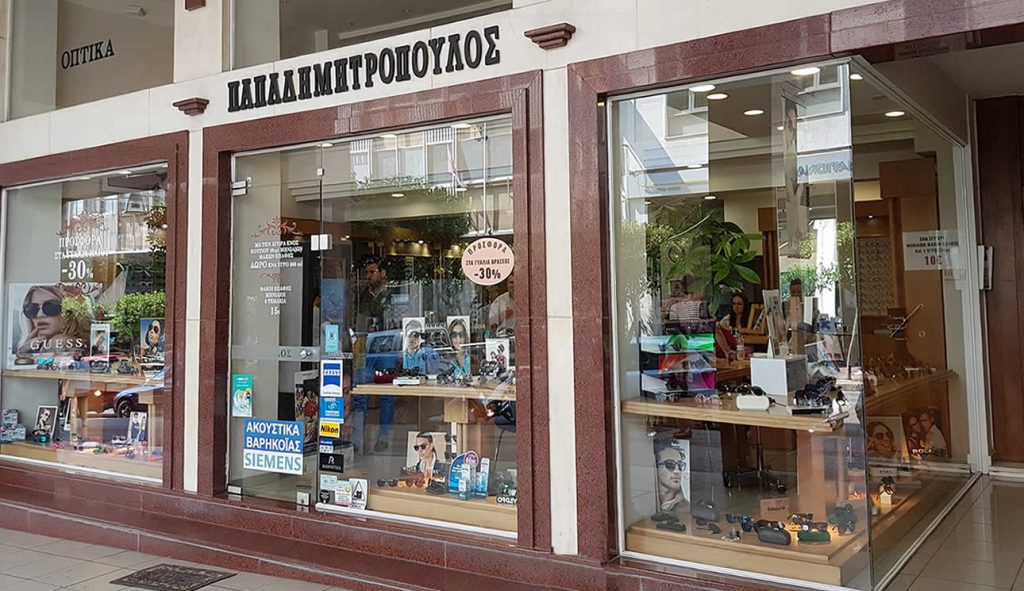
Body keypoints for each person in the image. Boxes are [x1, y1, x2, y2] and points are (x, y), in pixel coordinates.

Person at [17, 285, 88, 358]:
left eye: (50, 307)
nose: (39, 315)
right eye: (32, 309)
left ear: (70, 312)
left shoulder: (65, 342)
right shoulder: (30, 346)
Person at [654, 438, 689, 512]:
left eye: (680, 465)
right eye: (670, 464)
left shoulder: (686, 509)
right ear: (656, 467)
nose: (677, 471)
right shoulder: (647, 502)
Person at [355, 257, 389, 332]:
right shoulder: (364, 294)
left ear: (383, 273)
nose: (368, 276)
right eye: (367, 272)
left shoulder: (392, 292)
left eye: (372, 272)